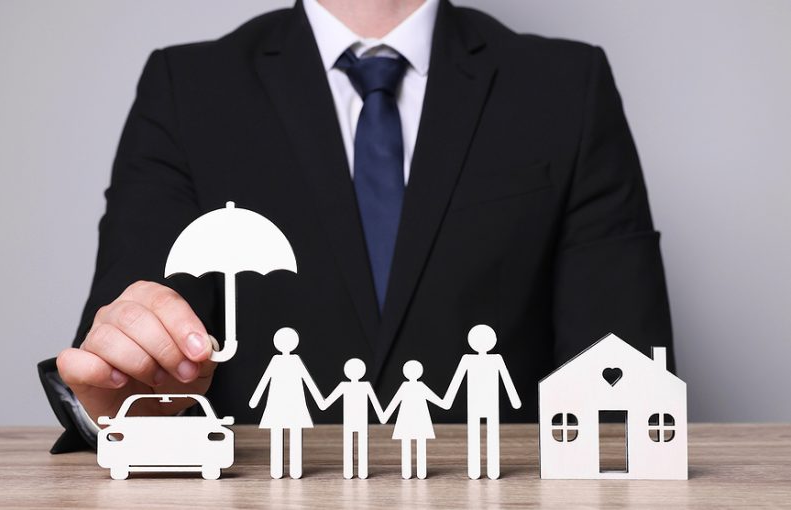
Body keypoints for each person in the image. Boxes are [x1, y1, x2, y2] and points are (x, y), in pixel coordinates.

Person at [40, 0, 674, 453]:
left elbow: (620, 371)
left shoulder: (565, 86)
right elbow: (126, 336)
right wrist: (116, 401)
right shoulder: (186, 87)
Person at [443, 324, 521, 480]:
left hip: (491, 403)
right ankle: (475, 469)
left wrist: (514, 399)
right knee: (474, 435)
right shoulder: (468, 360)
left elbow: (506, 379)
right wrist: (448, 399)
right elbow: (457, 380)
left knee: (492, 434)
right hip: (475, 403)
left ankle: (493, 469)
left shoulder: (496, 359)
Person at [248, 327, 325, 479]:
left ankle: (294, 469)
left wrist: (319, 398)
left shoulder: (295, 361)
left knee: (292, 433)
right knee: (278, 434)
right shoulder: (276, 361)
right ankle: (277, 469)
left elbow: (307, 380)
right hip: (278, 404)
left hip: (294, 404)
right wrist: (256, 398)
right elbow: (265, 380)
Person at [379, 360, 448, 479]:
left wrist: (384, 416)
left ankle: (411, 473)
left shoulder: (409, 387)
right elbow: (440, 402)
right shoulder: (416, 387)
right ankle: (416, 473)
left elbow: (394, 403)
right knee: (415, 444)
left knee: (411, 444)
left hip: (410, 420)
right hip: (416, 420)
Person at [320, 358, 385, 479]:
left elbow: (325, 403)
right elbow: (376, 404)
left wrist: (320, 401)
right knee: (358, 444)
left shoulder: (354, 386)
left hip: (355, 422)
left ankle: (355, 472)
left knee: (352, 444)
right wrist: (383, 416)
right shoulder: (362, 386)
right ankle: (357, 472)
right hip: (356, 421)